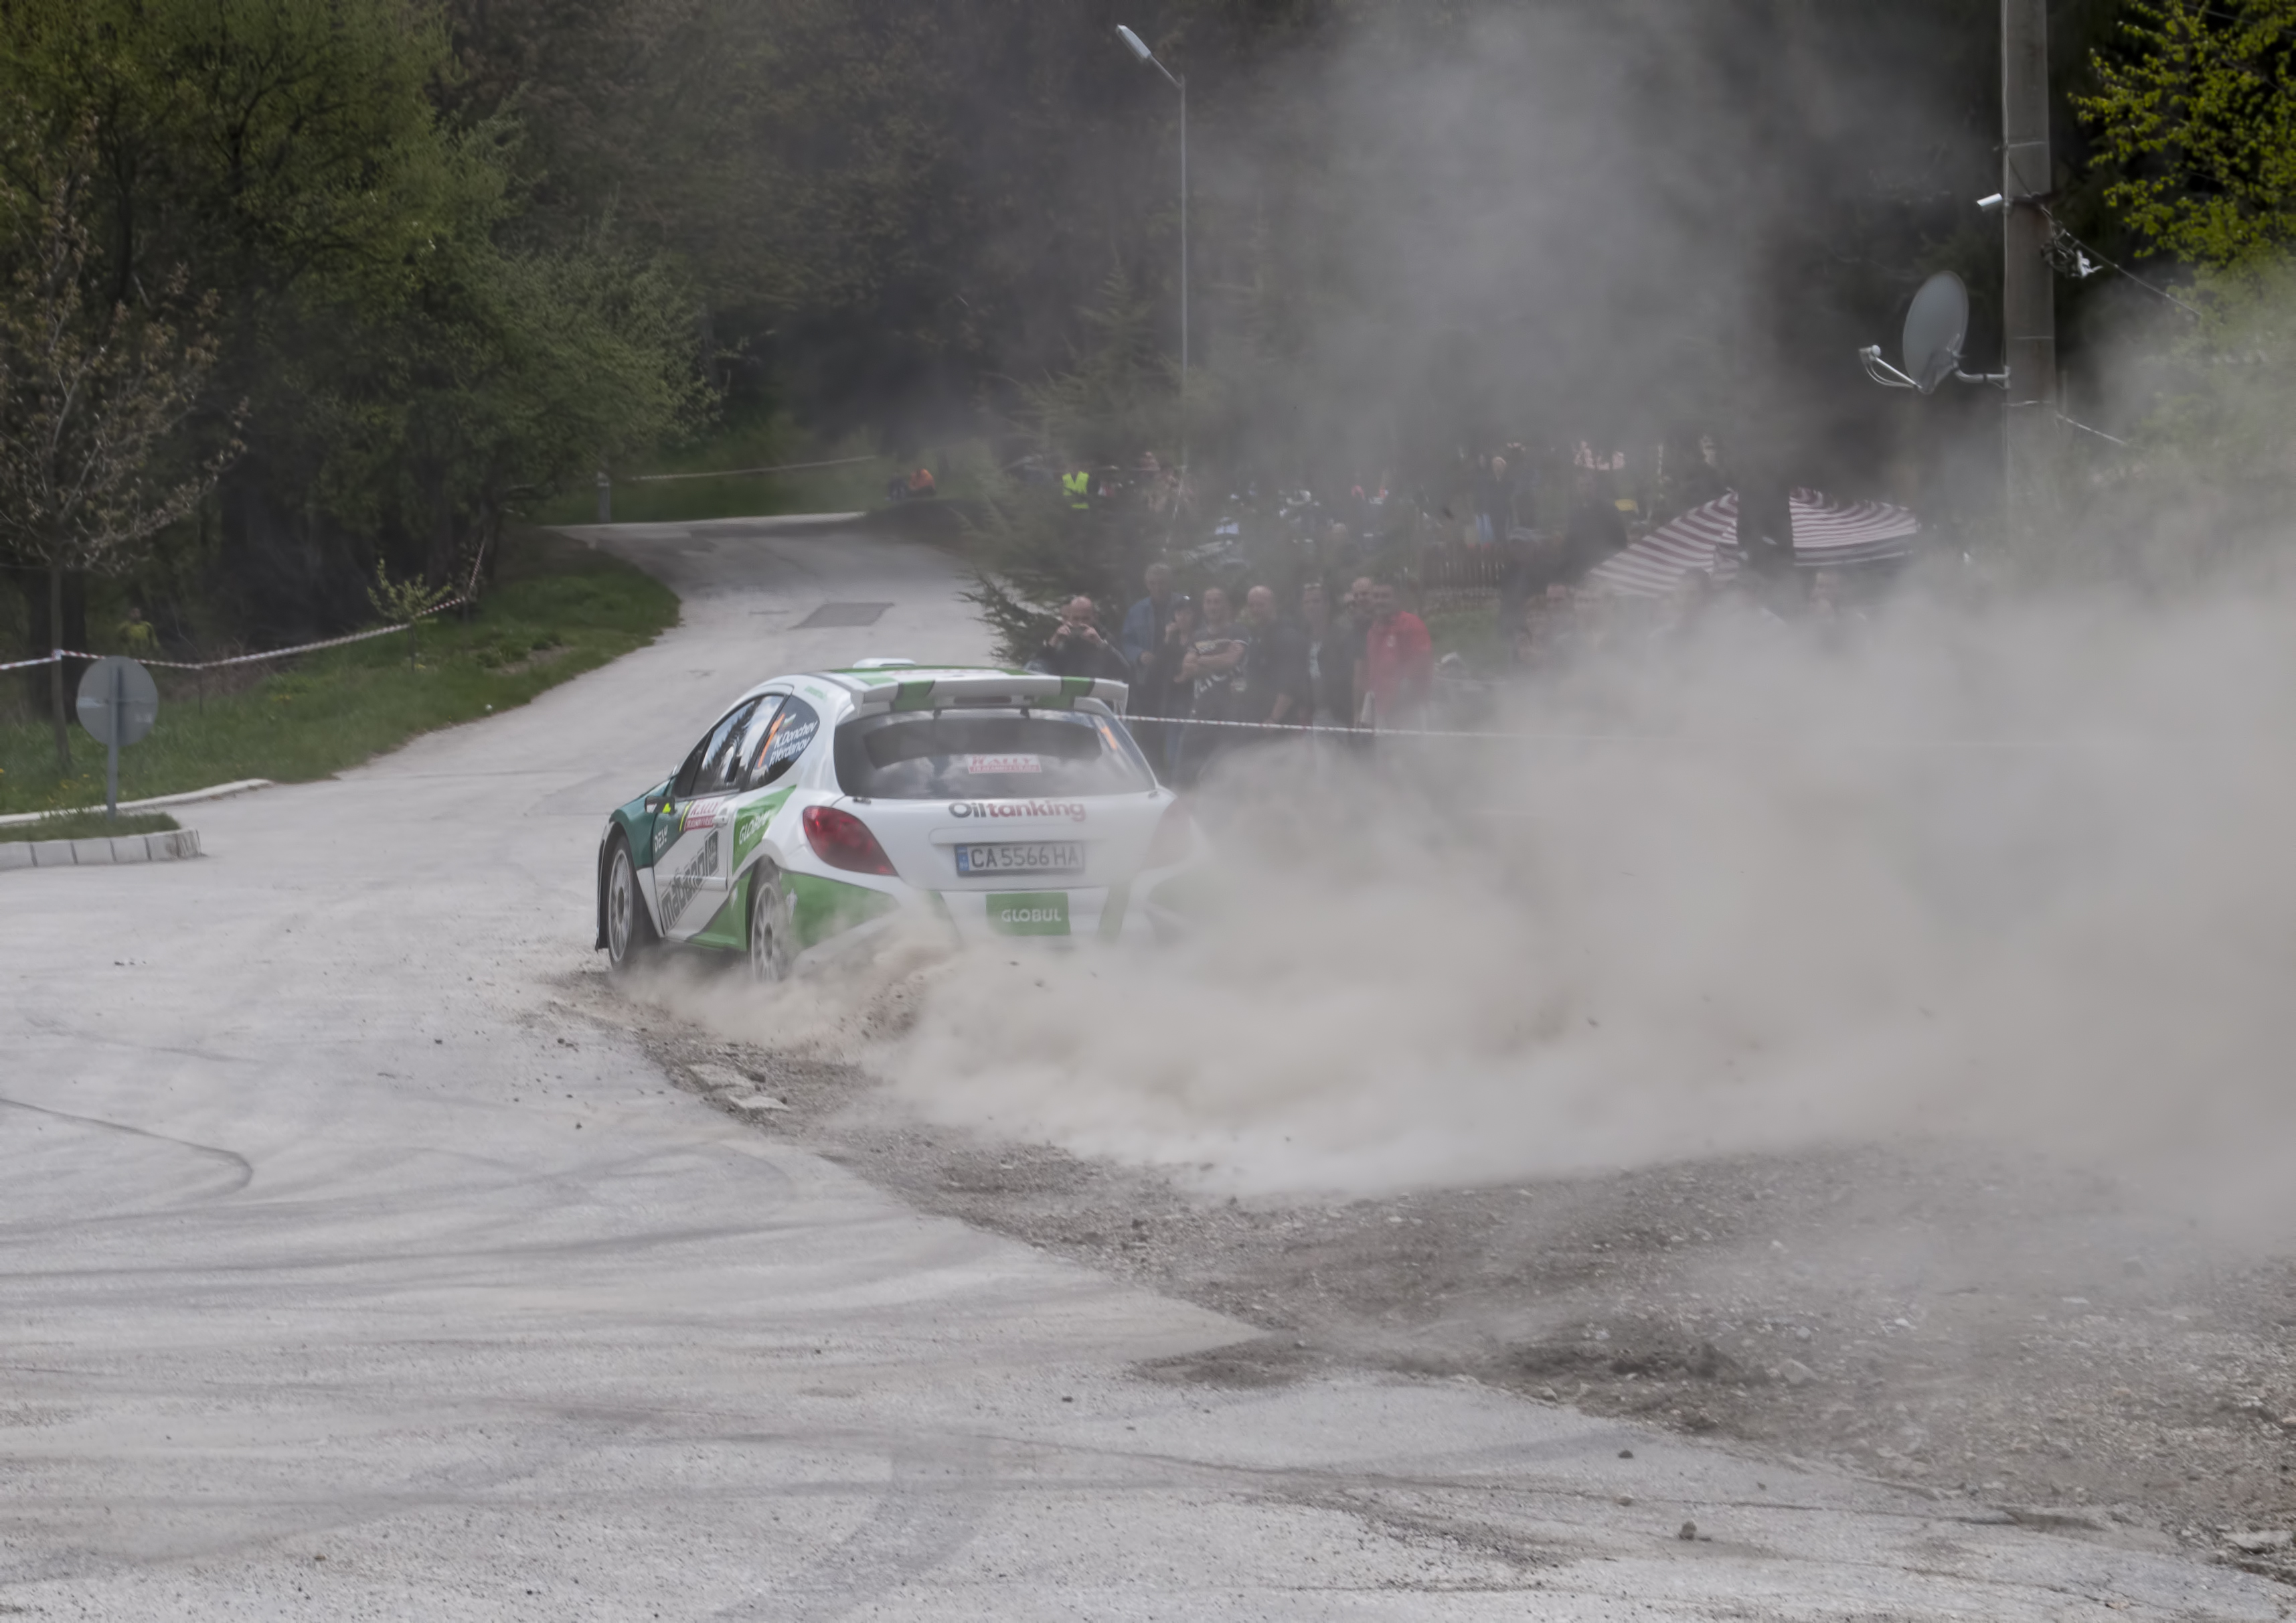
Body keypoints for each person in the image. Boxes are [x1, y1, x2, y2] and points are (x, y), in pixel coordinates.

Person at [1175, 586, 1248, 781]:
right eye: (1209, 602)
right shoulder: (1198, 636)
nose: (1213, 606)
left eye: (1217, 602)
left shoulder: (1238, 631)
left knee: (1222, 773)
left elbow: (1231, 660)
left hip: (1230, 714)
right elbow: (1187, 667)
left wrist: (1201, 660)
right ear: (1204, 607)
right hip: (1200, 712)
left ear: (1226, 606)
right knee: (1184, 773)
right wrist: (1217, 661)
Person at [1357, 580, 1432, 729]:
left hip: (1409, 710)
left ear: (1397, 599)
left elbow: (1421, 663)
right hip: (1381, 710)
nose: (1380, 601)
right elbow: (1373, 673)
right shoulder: (1374, 630)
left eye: (1385, 596)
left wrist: (1399, 694)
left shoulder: (1411, 624)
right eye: (1376, 596)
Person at [1236, 583, 1307, 726]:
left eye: (1260, 605)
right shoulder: (1256, 636)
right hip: (1254, 718)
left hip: (1279, 722)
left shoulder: (1287, 635)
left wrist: (1275, 718)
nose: (1255, 610)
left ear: (1273, 605)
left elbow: (1291, 682)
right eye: (1251, 605)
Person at [1032, 596, 1131, 682]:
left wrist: (1100, 643)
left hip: (1097, 693)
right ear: (1069, 618)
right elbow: (1036, 666)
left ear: (1095, 618)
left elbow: (1125, 671)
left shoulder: (1105, 638)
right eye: (1076, 619)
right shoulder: (1061, 637)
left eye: (1085, 619)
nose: (1080, 624)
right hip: (1066, 691)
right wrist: (1053, 643)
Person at [1299, 581, 1351, 727]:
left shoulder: (1343, 636)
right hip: (1314, 714)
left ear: (1327, 605)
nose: (1311, 606)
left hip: (1339, 715)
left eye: (1316, 601)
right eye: (1307, 602)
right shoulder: (1303, 637)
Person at [1121, 563, 1175, 676]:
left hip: (1176, 671)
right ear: (1147, 584)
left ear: (1170, 583)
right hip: (1146, 674)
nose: (1157, 588)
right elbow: (1126, 642)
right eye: (1152, 583)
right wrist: (1139, 654)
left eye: (1162, 583)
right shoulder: (1136, 611)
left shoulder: (1183, 607)